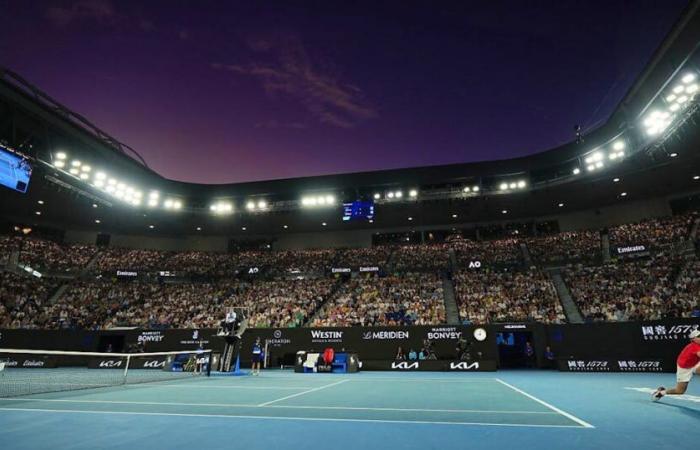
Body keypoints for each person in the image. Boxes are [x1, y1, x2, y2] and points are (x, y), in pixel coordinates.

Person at [652, 329, 700, 401]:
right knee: (680, 391)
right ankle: (661, 392)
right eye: (699, 336)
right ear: (693, 339)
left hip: (695, 363)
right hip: (684, 368)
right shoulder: (694, 346)